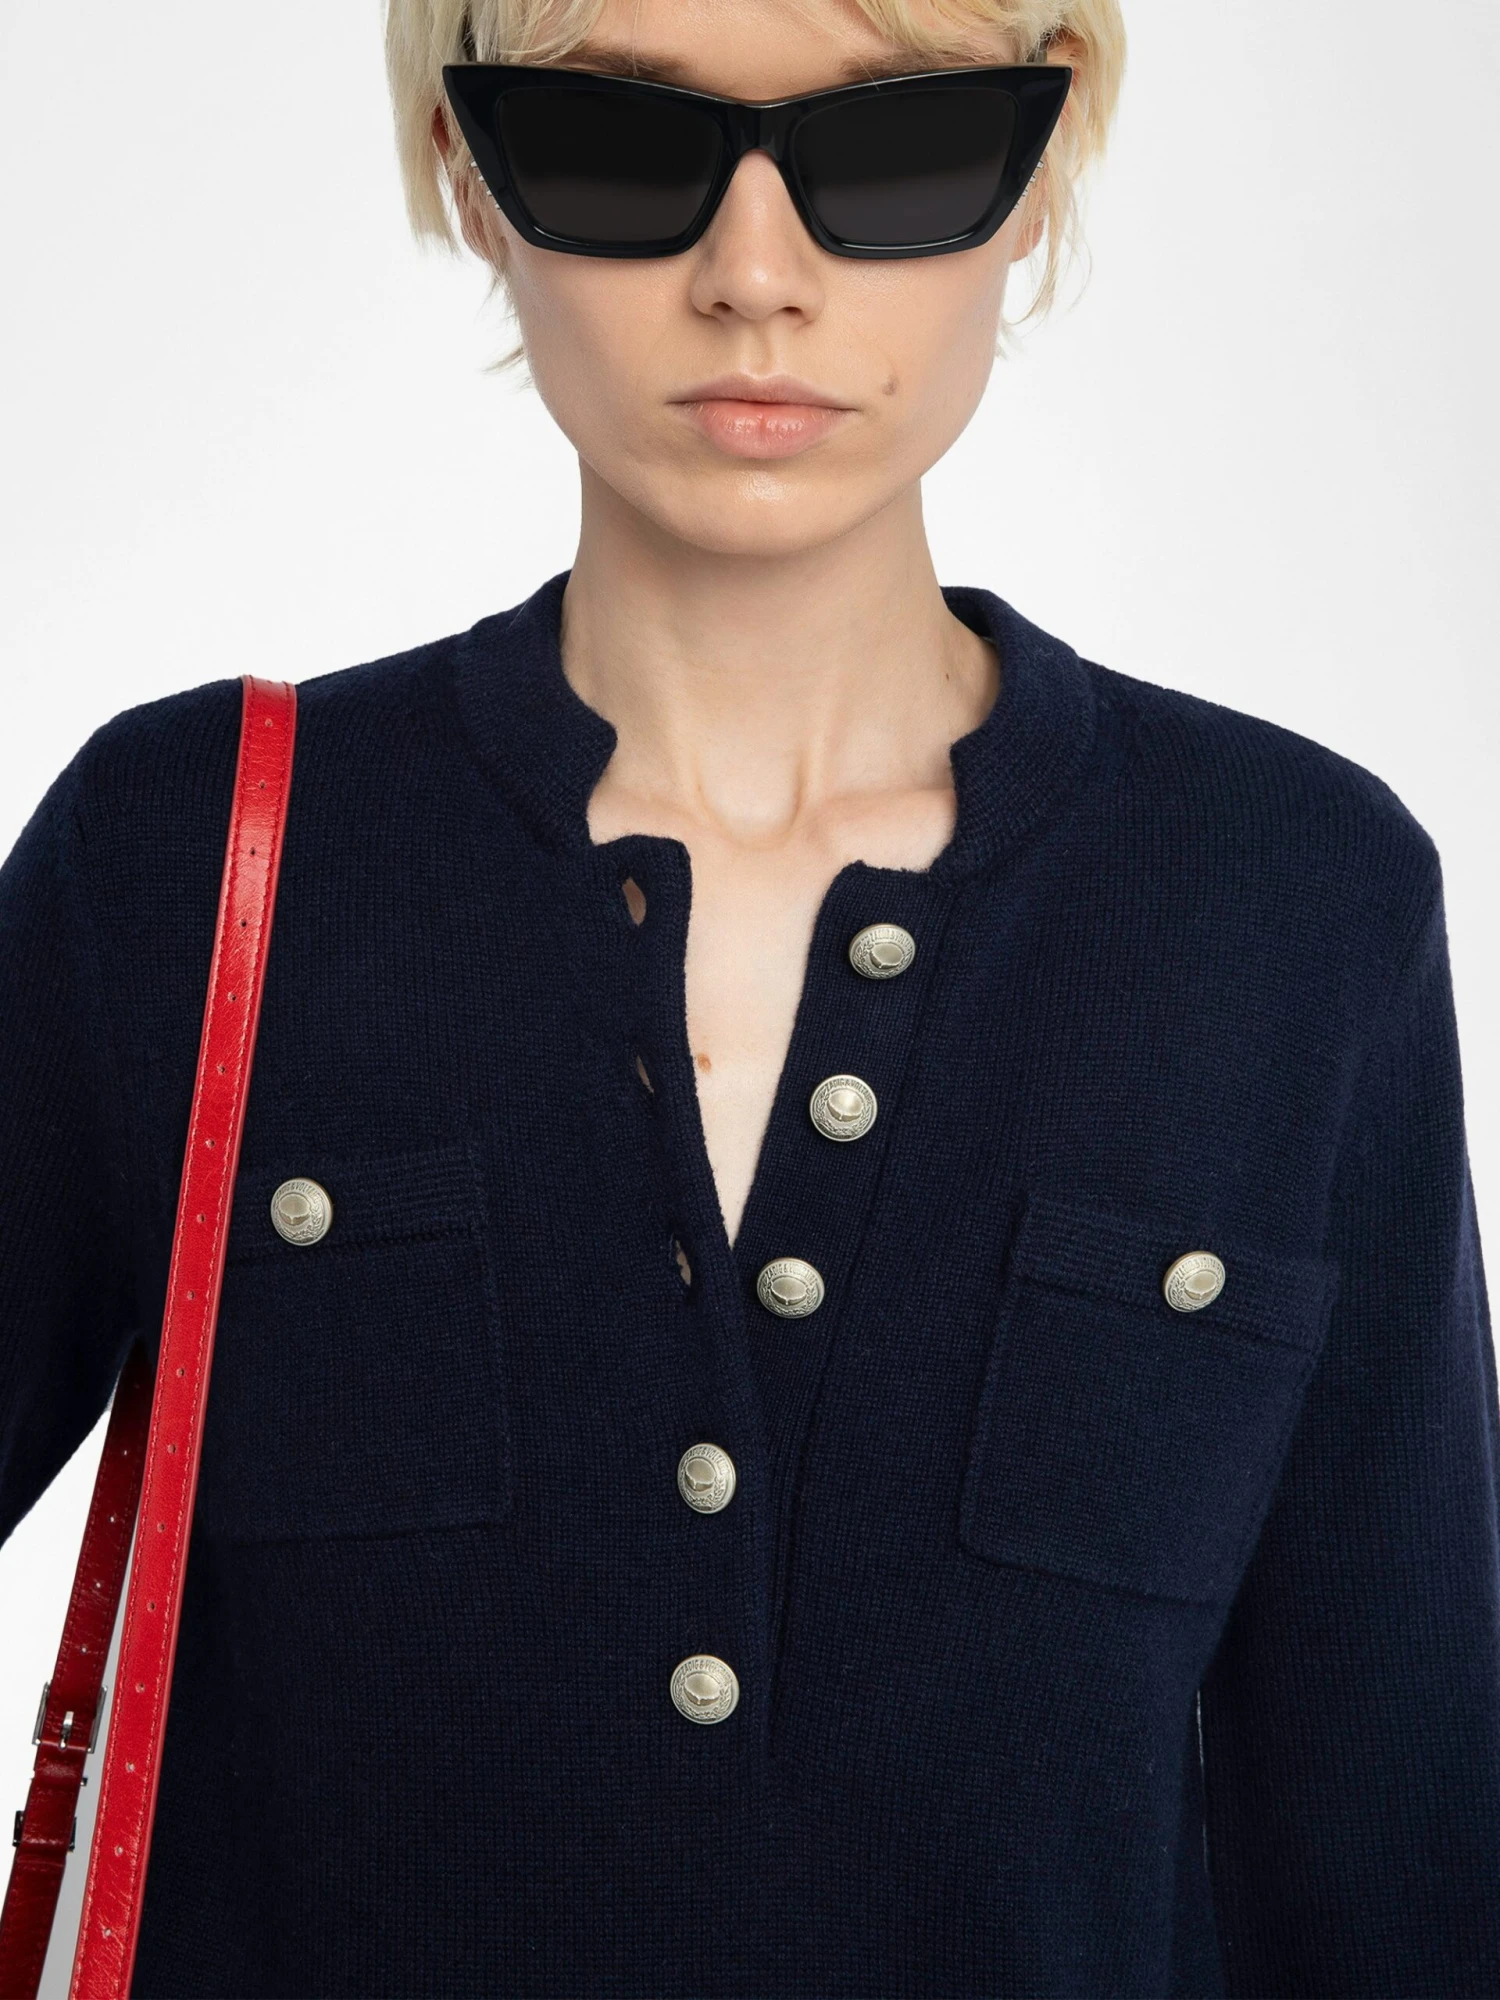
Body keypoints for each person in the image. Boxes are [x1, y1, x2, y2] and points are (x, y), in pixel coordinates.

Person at [2, 0, 1497, 1993]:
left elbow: (1400, 1857)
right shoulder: (187, 857)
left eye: (899, 152)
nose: (756, 277)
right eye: (619, 150)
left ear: (1041, 164)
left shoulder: (1295, 904)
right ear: (470, 175)